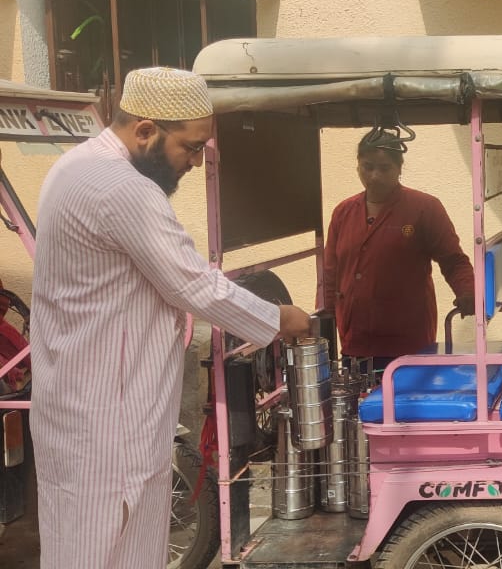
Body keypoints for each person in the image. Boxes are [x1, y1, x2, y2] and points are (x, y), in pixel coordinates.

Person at [29, 67, 312, 568]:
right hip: (108, 421)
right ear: (145, 130)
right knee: (106, 550)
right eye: (191, 147)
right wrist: (280, 319)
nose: (195, 161)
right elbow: (194, 285)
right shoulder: (122, 188)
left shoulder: (74, 166)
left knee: (86, 544)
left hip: (79, 408)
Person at [322, 129, 475, 367]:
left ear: (399, 168)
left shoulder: (425, 208)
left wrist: (468, 292)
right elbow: (330, 274)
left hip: (408, 341)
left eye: (384, 168)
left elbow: (453, 261)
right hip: (356, 342)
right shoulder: (343, 213)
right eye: (367, 167)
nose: (374, 176)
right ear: (358, 166)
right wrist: (325, 326)